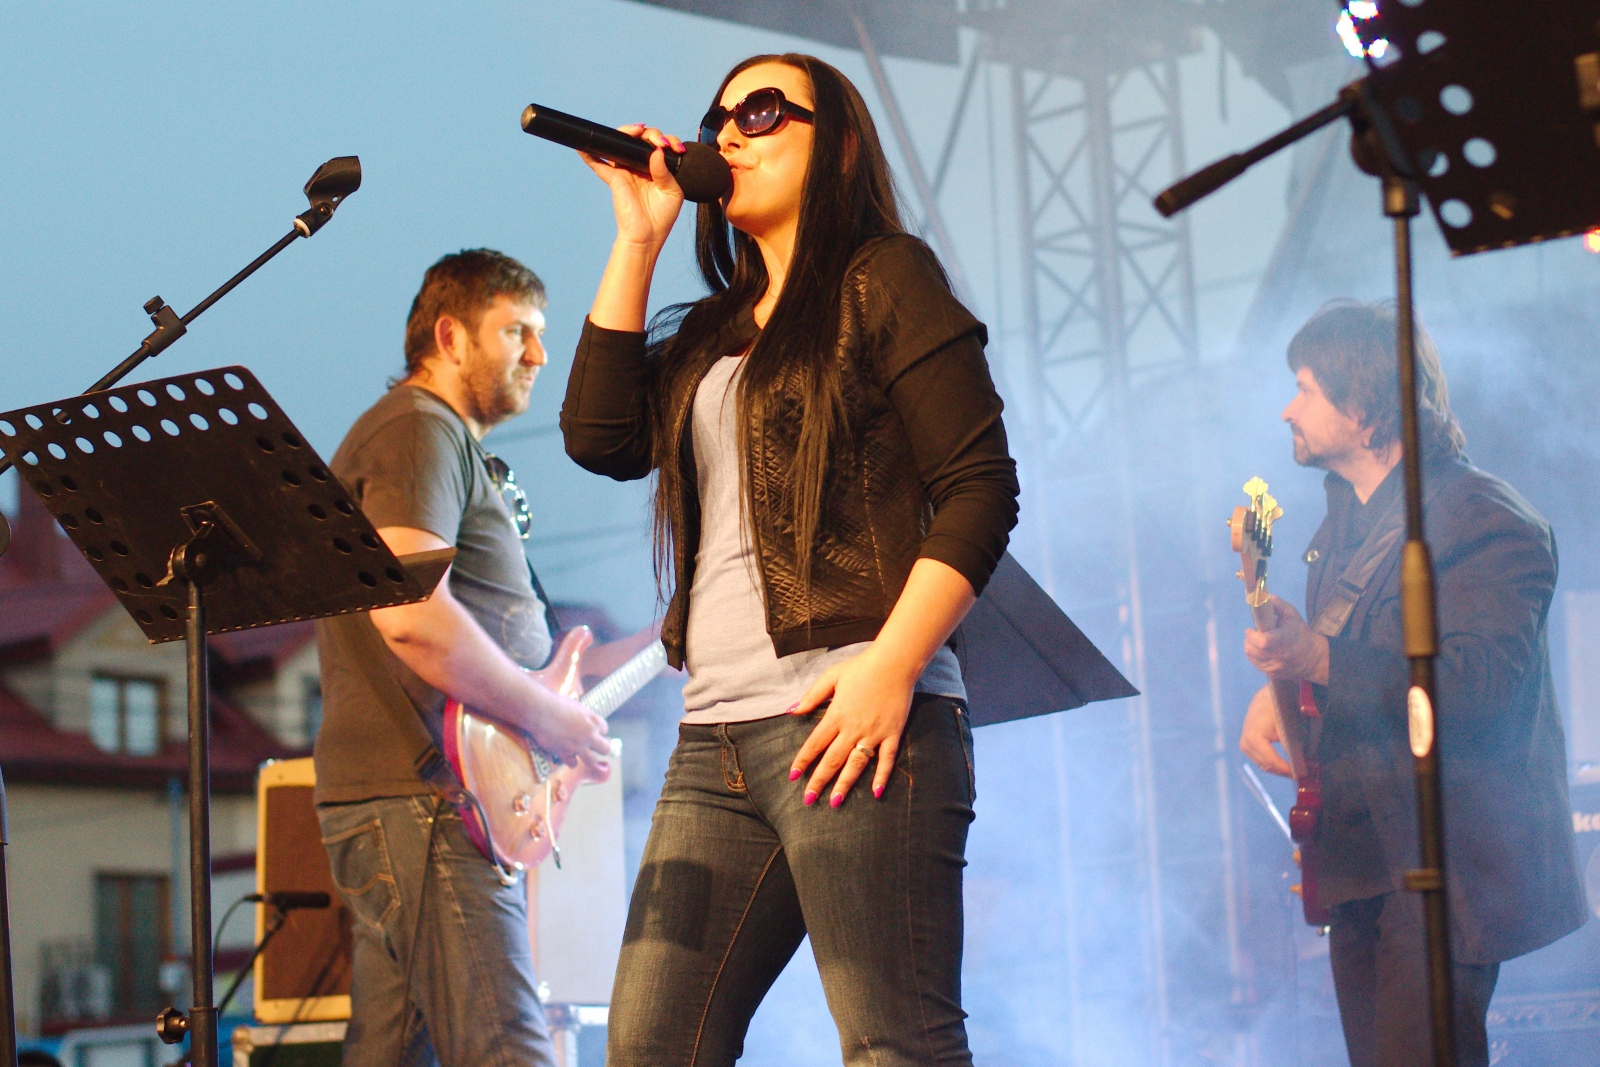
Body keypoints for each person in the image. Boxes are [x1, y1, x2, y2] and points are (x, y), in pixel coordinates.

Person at [561, 53, 1019, 1067]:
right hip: (713, 739)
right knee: (649, 1047)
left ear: (840, 147)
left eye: (763, 111)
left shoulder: (883, 277)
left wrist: (892, 668)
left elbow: (981, 487)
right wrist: (638, 238)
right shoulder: (711, 334)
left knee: (894, 1044)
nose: (729, 132)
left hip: (852, 716)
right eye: (718, 116)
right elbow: (599, 437)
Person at [1238, 301, 1585, 1067]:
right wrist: (1286, 689)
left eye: (1305, 388)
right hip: (1362, 862)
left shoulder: (1486, 519)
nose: (1288, 409)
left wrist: (1317, 661)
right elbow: (1360, 656)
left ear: (1362, 410)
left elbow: (1473, 692)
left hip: (1443, 871)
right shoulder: (1343, 525)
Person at [312, 250, 612, 1067]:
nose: (539, 354)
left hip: (417, 797)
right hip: (427, 798)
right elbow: (410, 614)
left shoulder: (434, 437)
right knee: (508, 1049)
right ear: (449, 336)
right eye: (517, 332)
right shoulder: (419, 428)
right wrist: (546, 715)